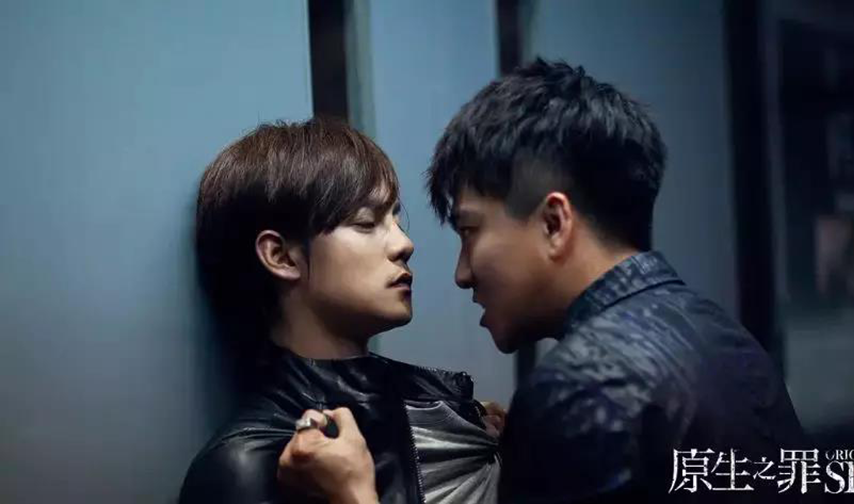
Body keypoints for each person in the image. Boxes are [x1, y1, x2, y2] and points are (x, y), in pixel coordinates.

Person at [276, 59, 807, 503]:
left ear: (554, 224)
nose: (462, 274)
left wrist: (354, 497)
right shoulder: (724, 336)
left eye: (470, 231)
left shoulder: (582, 386)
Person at [179, 119, 503, 504]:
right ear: (281, 256)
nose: (404, 243)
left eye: (395, 220)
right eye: (366, 223)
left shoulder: (449, 416)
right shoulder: (246, 467)